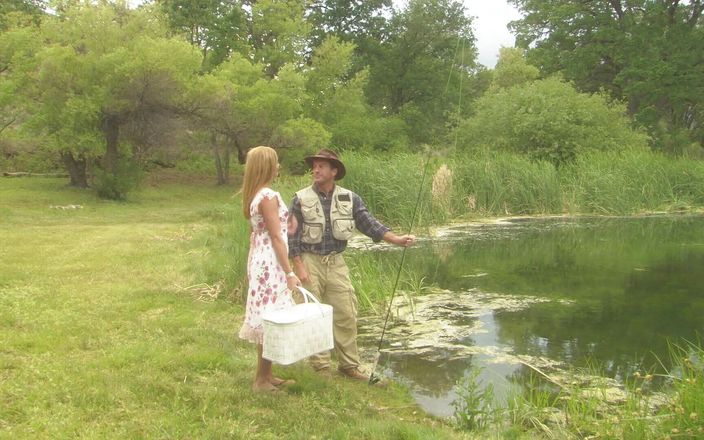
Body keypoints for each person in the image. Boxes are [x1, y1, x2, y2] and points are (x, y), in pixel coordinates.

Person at [288, 149, 415, 381]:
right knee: (312, 314)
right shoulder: (300, 198)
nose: (315, 170)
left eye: (321, 166)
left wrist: (396, 239)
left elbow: (369, 224)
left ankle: (349, 366)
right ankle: (321, 367)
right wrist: (298, 265)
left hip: (336, 262)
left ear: (334, 171)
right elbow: (292, 235)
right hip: (309, 260)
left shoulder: (350, 198)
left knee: (346, 313)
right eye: (314, 166)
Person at [238, 146, 301, 392]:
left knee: (269, 316)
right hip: (272, 263)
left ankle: (266, 374)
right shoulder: (268, 196)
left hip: (261, 259)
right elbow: (276, 237)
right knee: (271, 318)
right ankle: (261, 380)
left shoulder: (255, 195)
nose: (279, 167)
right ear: (267, 167)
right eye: (276, 163)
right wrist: (290, 273)